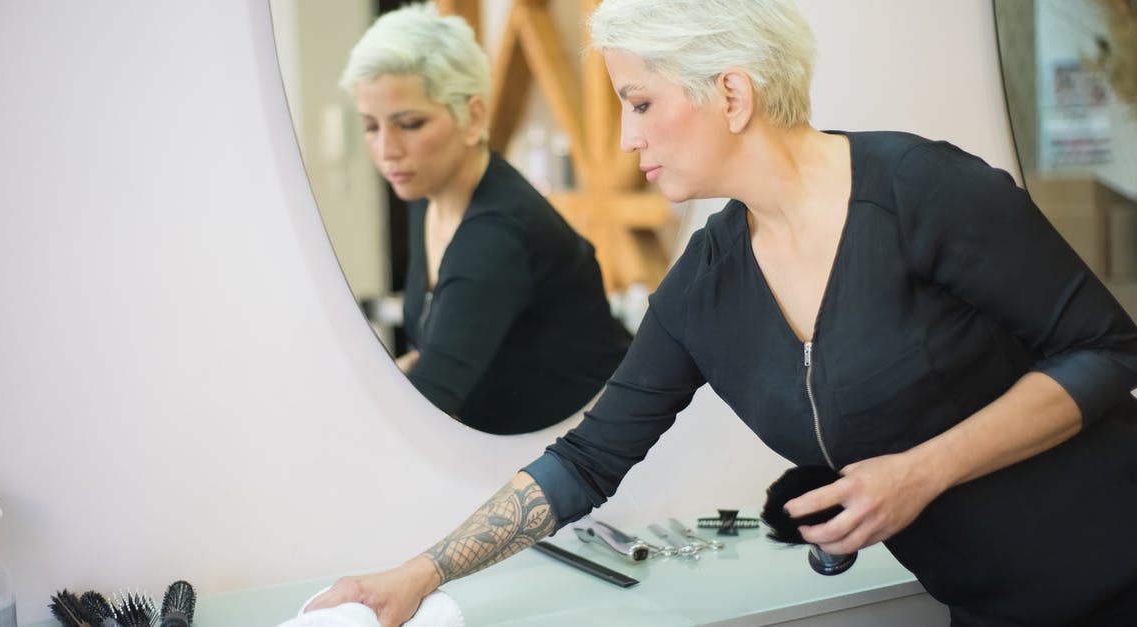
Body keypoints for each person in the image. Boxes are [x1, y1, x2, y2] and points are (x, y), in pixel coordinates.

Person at [310, 0, 1137, 624]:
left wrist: (920, 471)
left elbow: (1106, 350)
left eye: (639, 102)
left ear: (732, 94)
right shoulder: (707, 282)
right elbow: (587, 460)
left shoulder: (926, 192)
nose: (629, 138)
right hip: (989, 606)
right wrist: (417, 577)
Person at [341, 4, 632, 435]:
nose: (387, 150)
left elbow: (426, 404)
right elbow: (436, 356)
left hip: (589, 461)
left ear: (474, 117)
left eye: (410, 124)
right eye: (371, 126)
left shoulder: (496, 236)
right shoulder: (428, 191)